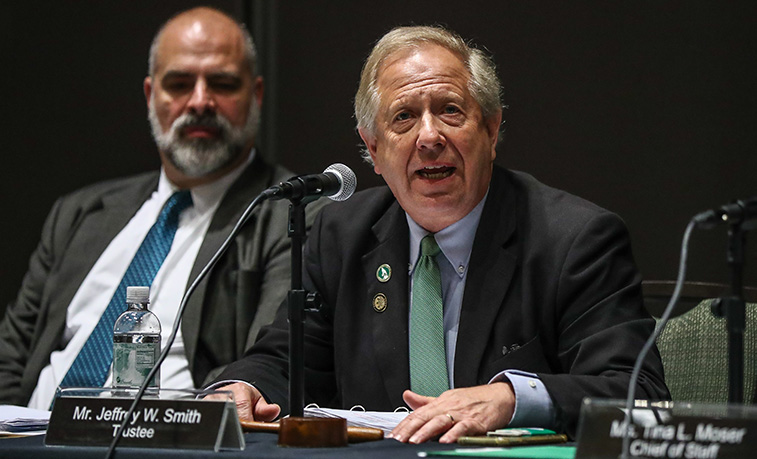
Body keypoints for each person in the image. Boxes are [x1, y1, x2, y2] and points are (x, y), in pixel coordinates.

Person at [212, 25, 669, 442]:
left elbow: (637, 390)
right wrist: (240, 387)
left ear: (491, 129)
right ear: (373, 147)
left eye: (450, 111)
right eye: (404, 118)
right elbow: (284, 358)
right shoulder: (341, 234)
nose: (429, 137)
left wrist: (511, 399)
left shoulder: (575, 239)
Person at [0, 7, 325, 409]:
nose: (201, 101)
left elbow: (268, 360)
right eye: (180, 83)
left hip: (168, 437)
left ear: (255, 96)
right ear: (151, 95)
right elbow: (10, 360)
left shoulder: (291, 214)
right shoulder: (79, 214)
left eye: (222, 83)